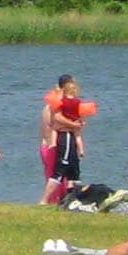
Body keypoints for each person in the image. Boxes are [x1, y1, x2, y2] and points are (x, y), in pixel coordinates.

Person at [43, 75, 86, 205]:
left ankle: (72, 199)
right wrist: (75, 125)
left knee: (74, 169)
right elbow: (57, 121)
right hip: (61, 138)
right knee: (60, 170)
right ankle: (45, 200)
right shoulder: (58, 103)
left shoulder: (62, 102)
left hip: (64, 138)